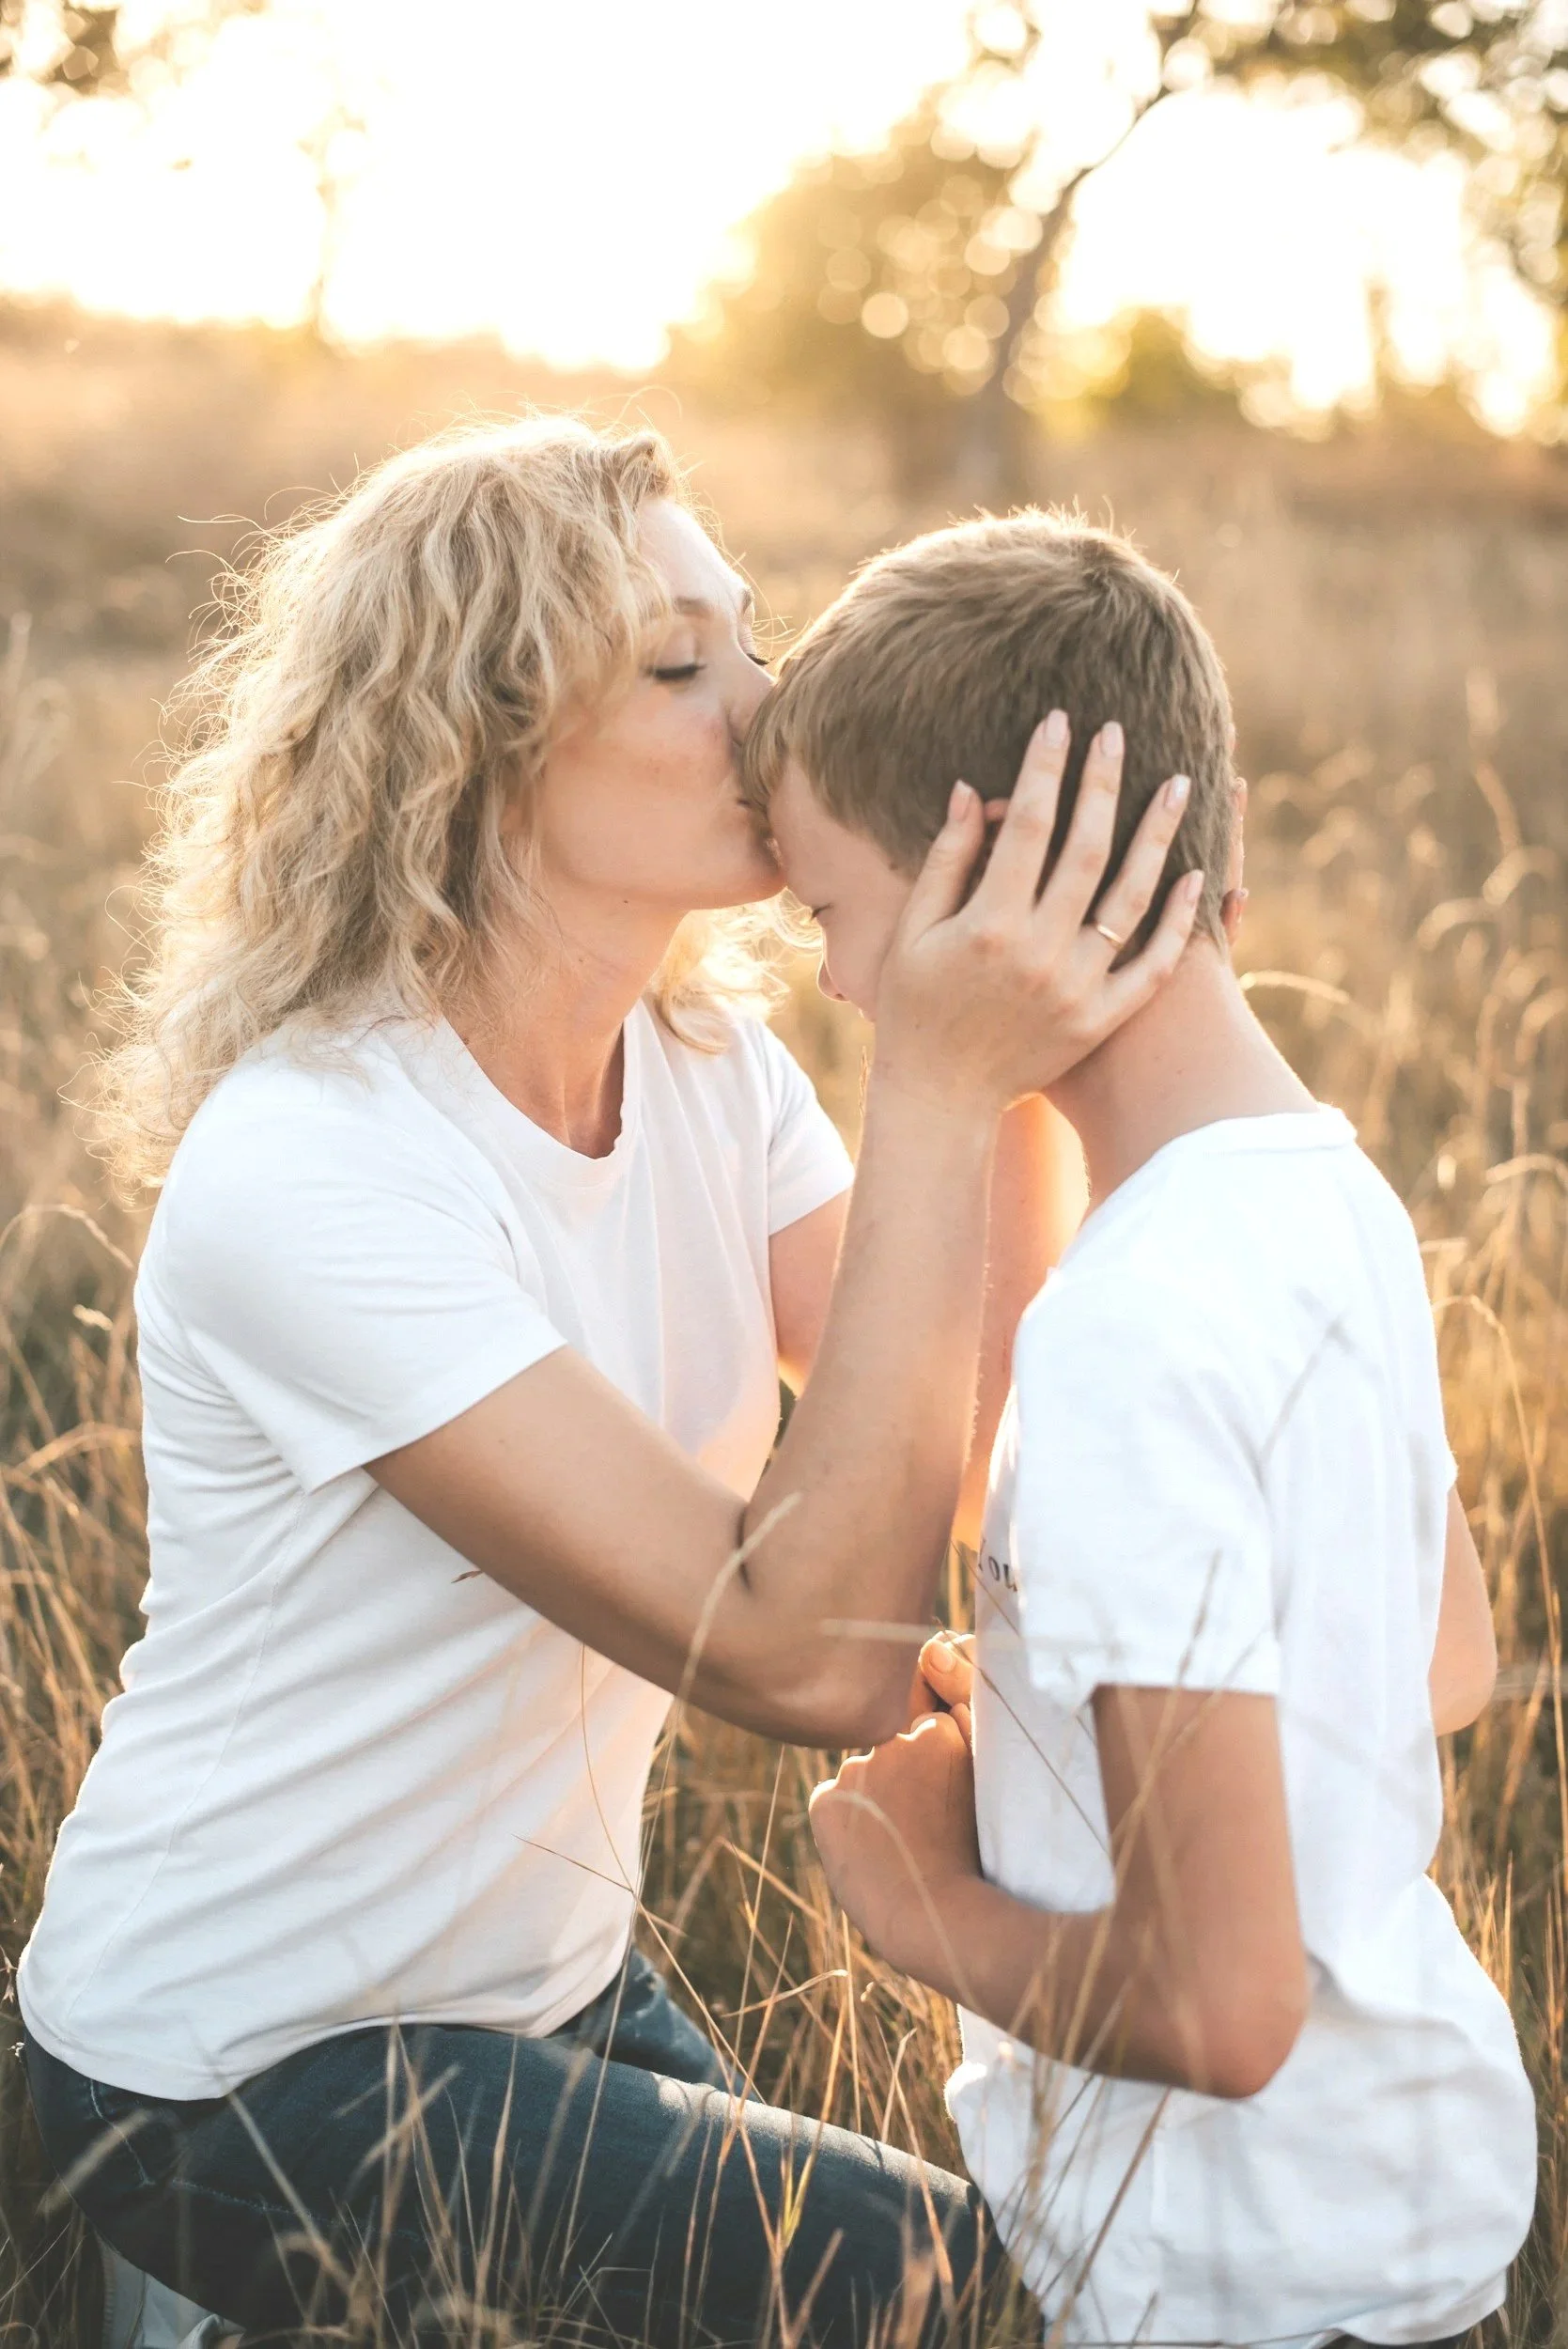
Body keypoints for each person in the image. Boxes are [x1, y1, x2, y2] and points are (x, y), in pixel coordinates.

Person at [17, 420, 1202, 2346]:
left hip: (536, 1985)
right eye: (681, 665)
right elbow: (802, 1659)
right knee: (951, 2292)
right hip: (225, 2055)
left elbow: (991, 1423)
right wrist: (936, 1077)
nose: (770, 702)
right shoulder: (317, 1158)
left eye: (753, 637)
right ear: (477, 746)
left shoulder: (711, 1075)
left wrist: (1005, 995)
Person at [747, 511, 1538, 2349]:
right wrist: (1073, 1722)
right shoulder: (1319, 1195)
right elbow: (1443, 1654)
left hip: (1233, 2271)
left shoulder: (1132, 1329)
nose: (844, 985)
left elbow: (1223, 2006)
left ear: (985, 878)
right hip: (1388, 2222)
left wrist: (924, 1892)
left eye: (832, 913)